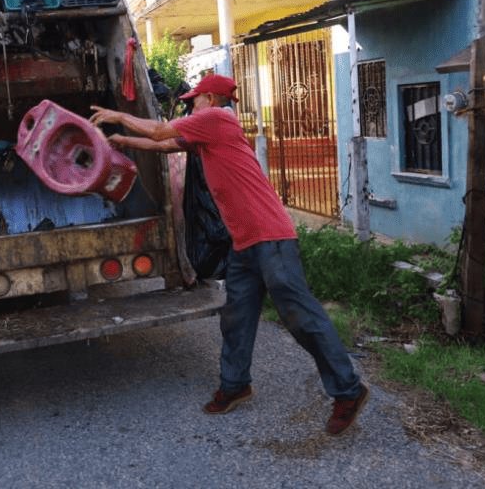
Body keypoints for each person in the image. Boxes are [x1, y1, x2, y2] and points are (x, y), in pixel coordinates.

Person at [90, 73, 369, 435]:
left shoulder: (218, 119)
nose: (191, 104)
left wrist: (119, 116)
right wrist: (123, 139)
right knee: (236, 316)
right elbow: (165, 145)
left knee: (301, 316)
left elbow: (161, 131)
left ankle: (348, 391)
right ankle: (236, 385)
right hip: (244, 244)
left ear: (210, 98)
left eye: (195, 99)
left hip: (271, 238)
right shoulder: (207, 137)